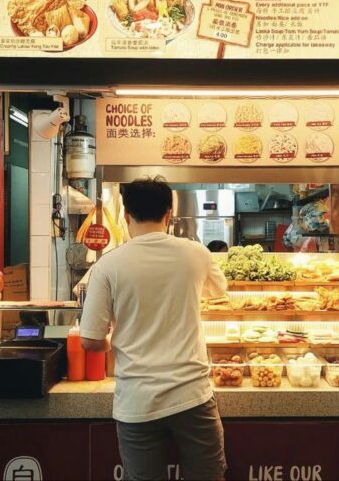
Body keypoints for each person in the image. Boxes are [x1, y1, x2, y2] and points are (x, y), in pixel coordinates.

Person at [80, 177, 228, 481]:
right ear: (169, 215)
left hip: (137, 401)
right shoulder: (196, 253)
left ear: (126, 216)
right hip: (193, 397)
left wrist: (114, 338)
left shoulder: (107, 266)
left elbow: (90, 341)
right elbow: (219, 291)